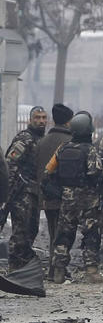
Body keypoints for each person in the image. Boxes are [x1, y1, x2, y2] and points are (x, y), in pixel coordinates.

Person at [45, 113, 103, 283]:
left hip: (67, 198)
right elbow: (95, 172)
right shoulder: (90, 150)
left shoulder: (62, 148)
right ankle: (91, 271)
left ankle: (58, 272)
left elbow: (48, 172)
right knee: (91, 234)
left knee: (63, 235)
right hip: (88, 199)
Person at [34, 103, 74, 280]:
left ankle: (53, 269)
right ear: (67, 122)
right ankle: (57, 270)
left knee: (53, 234)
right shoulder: (69, 142)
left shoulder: (42, 142)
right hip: (66, 197)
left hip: (47, 196)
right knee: (63, 236)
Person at [5, 106, 47, 272]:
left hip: (34, 191)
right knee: (20, 230)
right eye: (37, 118)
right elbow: (10, 164)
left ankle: (24, 265)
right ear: (30, 120)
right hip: (21, 193)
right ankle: (15, 266)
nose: (41, 121)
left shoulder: (41, 139)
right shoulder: (25, 138)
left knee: (32, 228)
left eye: (44, 118)